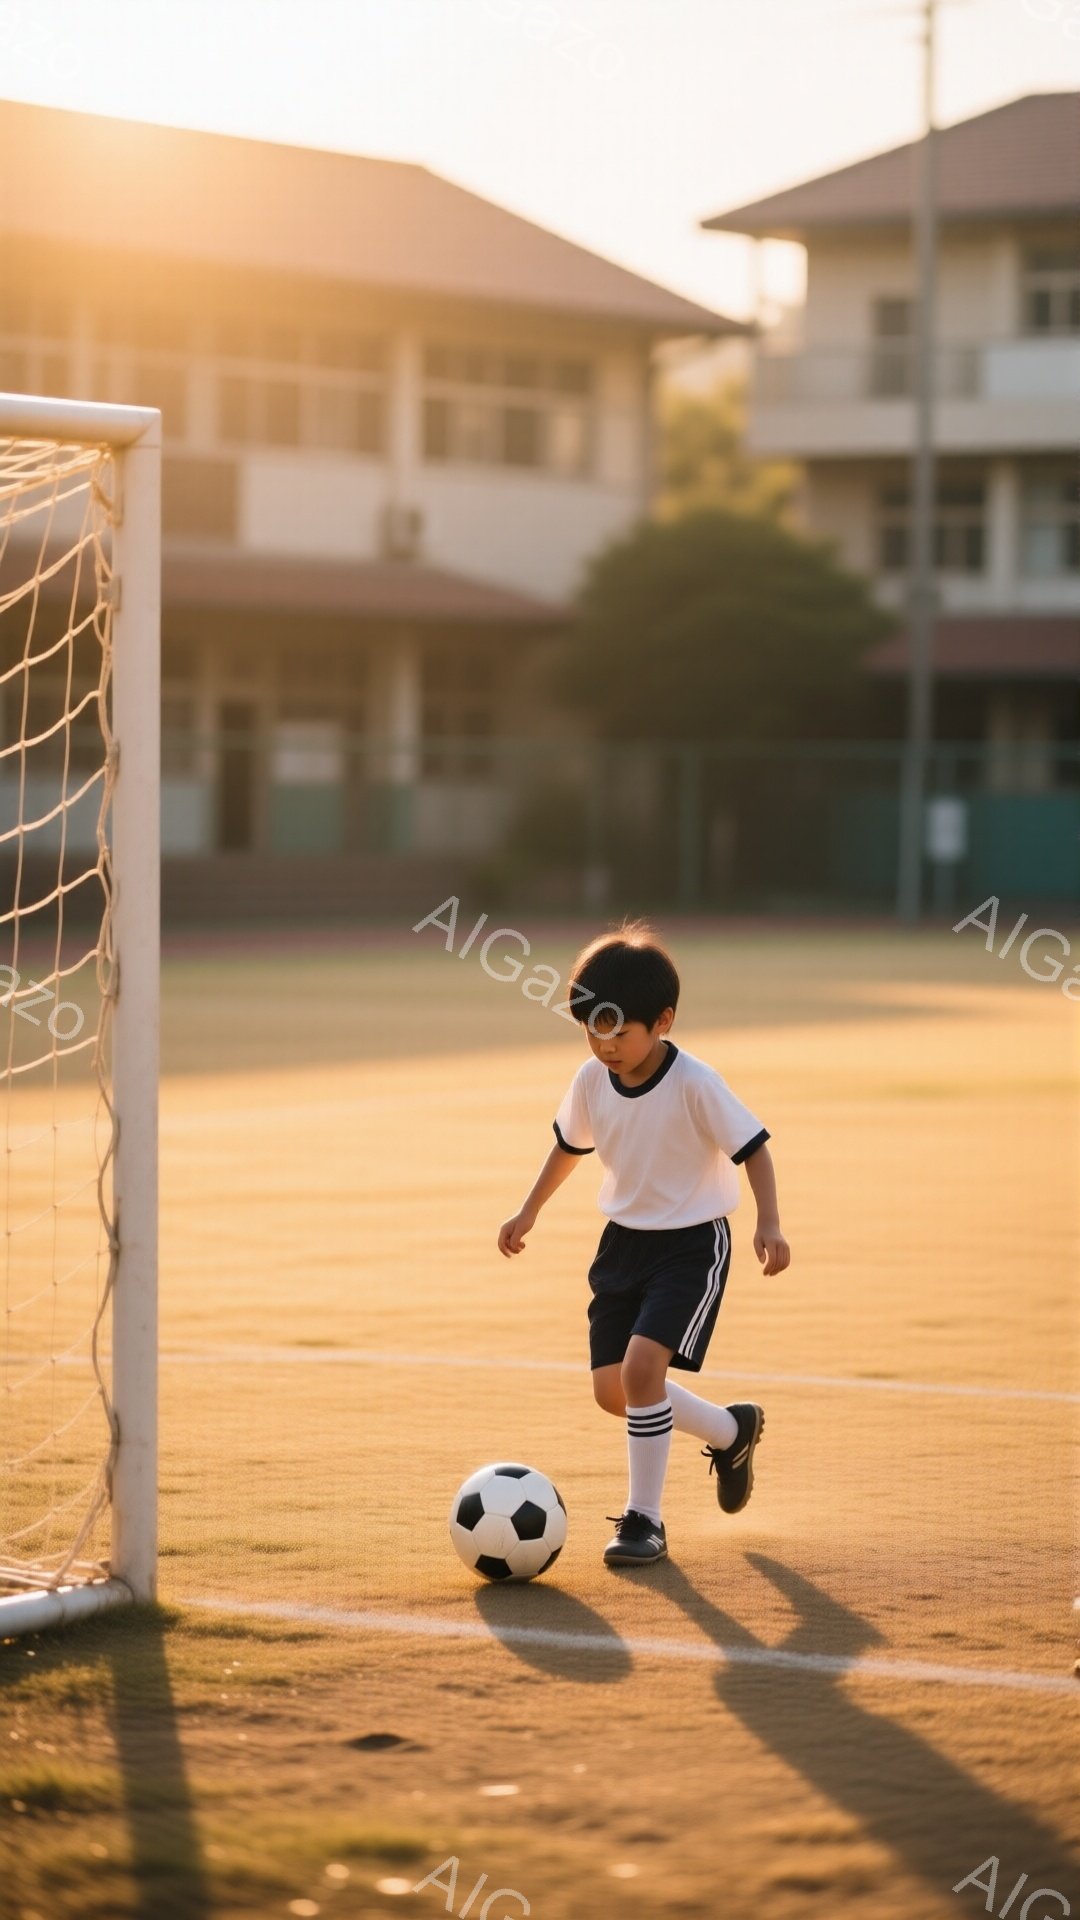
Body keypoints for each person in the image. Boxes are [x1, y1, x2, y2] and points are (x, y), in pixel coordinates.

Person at [497, 921, 790, 1567]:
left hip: (690, 1247)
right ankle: (730, 1430)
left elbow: (754, 1149)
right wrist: (528, 1210)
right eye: (591, 1029)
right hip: (621, 1246)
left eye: (618, 1031)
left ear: (662, 1021)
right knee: (614, 1392)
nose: (604, 1045)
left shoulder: (695, 1082)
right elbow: (570, 1148)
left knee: (640, 1373)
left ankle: (644, 1521)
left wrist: (768, 1222)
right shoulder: (589, 1081)